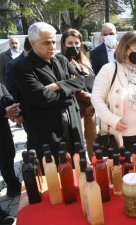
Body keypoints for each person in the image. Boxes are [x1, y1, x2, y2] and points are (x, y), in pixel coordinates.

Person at [12, 22, 85, 171]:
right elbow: (43, 98)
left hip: (73, 125)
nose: (52, 46)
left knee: (79, 170)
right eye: (46, 43)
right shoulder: (21, 67)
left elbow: (80, 81)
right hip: (47, 132)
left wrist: (57, 86)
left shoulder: (62, 60)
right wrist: (69, 91)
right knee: (55, 177)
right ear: (33, 43)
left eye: (53, 41)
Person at [91, 31, 136, 153]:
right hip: (120, 137)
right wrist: (112, 119)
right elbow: (96, 98)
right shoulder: (109, 69)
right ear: (125, 49)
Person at [61, 28, 96, 160]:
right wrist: (86, 96)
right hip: (77, 108)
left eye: (77, 43)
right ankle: (82, 167)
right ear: (64, 44)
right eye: (70, 43)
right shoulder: (61, 61)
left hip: (91, 107)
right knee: (78, 141)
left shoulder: (85, 60)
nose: (74, 46)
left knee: (92, 138)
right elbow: (68, 85)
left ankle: (94, 163)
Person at [0, 83, 22, 198]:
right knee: (3, 158)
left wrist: (15, 110)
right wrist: (4, 112)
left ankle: (13, 185)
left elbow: (6, 95)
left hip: (3, 125)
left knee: (9, 153)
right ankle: (12, 184)